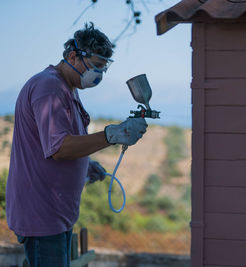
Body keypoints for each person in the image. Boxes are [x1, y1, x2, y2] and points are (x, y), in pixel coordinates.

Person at [5, 22, 147, 266]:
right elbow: (59, 147)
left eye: (103, 69)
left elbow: (56, 141)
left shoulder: (68, 87)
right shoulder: (49, 87)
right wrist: (112, 135)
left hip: (55, 213)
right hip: (42, 215)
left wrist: (85, 163)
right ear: (73, 56)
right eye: (95, 66)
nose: (99, 76)